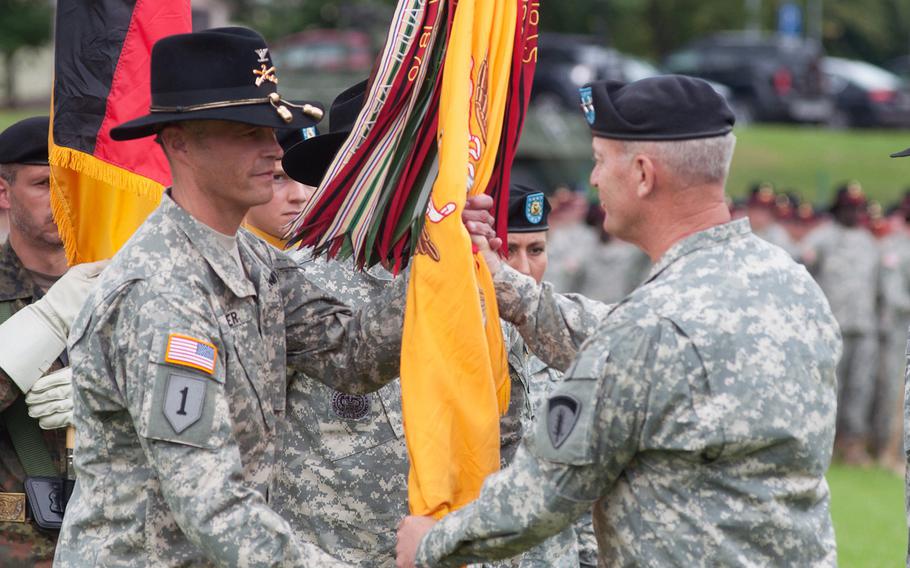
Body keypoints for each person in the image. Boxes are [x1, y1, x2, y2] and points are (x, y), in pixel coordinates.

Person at [396, 75, 841, 567]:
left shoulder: (651, 326)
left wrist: (431, 544)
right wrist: (503, 282)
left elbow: (542, 496)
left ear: (644, 174)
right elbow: (624, 343)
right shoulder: (791, 285)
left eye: (601, 160)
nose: (593, 179)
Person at [52, 27, 410, 567]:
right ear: (180, 143)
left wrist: (436, 257)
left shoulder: (253, 260)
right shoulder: (163, 292)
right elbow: (209, 502)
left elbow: (355, 356)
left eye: (273, 131)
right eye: (248, 133)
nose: (274, 151)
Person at [0, 116, 105, 566]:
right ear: (3, 192)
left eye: (74, 182)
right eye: (44, 183)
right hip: (18, 545)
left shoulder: (122, 285)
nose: (63, 196)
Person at [800, 182, 880, 465]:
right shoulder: (820, 238)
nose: (853, 214)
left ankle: (854, 444)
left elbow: (877, 286)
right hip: (830, 328)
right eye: (848, 208)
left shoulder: (869, 242)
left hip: (864, 326)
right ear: (838, 208)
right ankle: (824, 442)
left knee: (860, 387)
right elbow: (804, 276)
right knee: (829, 387)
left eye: (857, 208)